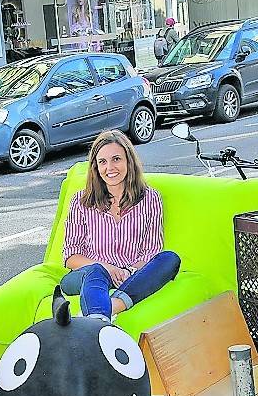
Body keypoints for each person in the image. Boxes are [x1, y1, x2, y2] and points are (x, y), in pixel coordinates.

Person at [61, 130, 180, 320]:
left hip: (131, 274)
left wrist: (128, 272)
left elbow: (151, 251)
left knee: (169, 259)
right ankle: (98, 317)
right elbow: (70, 256)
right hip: (88, 274)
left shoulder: (150, 198)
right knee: (96, 271)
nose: (110, 168)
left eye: (116, 159)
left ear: (128, 161)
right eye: (102, 162)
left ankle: (111, 308)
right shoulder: (81, 201)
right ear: (95, 167)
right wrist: (107, 267)